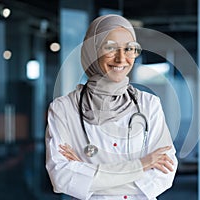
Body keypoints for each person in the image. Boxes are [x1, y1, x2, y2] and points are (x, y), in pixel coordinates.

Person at [45, 14, 178, 200]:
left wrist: (87, 172)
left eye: (129, 49)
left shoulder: (149, 105)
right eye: (110, 48)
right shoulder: (63, 109)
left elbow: (163, 175)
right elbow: (62, 178)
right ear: (93, 51)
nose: (121, 58)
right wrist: (141, 165)